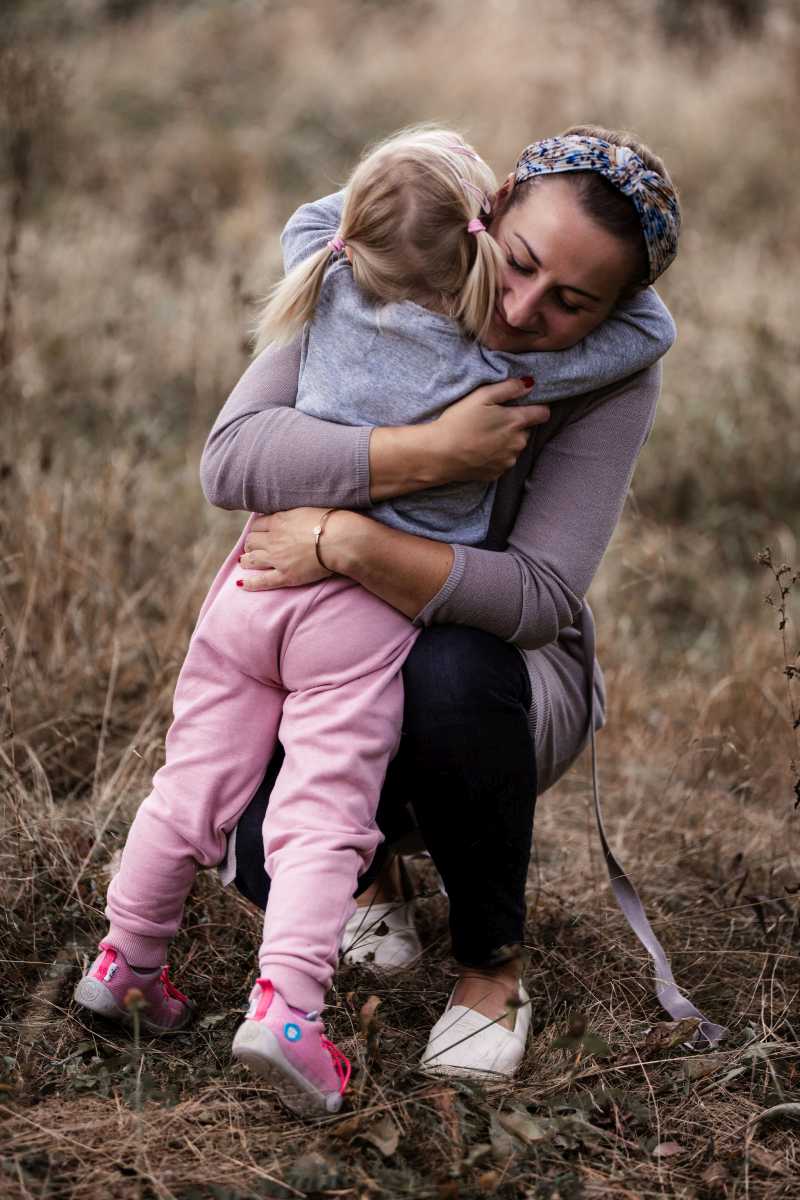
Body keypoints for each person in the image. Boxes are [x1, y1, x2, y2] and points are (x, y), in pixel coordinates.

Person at [73, 125, 675, 1114]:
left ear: (612, 312)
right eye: (516, 265)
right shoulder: (396, 275)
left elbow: (532, 598)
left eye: (572, 303)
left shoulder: (577, 366)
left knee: (428, 671)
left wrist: (347, 543)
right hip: (326, 644)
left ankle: (487, 968)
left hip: (485, 676)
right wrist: (427, 455)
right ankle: (341, 923)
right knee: (268, 825)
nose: (523, 311)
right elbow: (232, 460)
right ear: (485, 215)